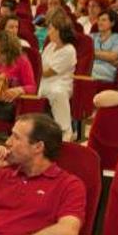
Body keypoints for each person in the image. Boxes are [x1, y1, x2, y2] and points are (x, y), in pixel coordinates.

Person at [0, 31, 37, 122]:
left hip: (7, 106)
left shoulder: (22, 62)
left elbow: (32, 88)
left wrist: (19, 90)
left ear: (5, 49)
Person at [38, 13, 78, 141]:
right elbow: (41, 66)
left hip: (61, 83)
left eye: (50, 29)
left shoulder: (69, 50)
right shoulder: (50, 46)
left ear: (59, 31)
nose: (48, 32)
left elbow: (49, 72)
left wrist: (35, 70)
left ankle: (66, 130)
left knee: (57, 93)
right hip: (44, 81)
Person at [91, 10, 118, 83]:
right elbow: (82, 52)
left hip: (107, 70)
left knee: (86, 69)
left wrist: (91, 53)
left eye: (104, 20)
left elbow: (113, 57)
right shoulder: (91, 37)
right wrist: (104, 55)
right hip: (90, 65)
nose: (100, 23)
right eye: (99, 20)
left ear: (112, 23)